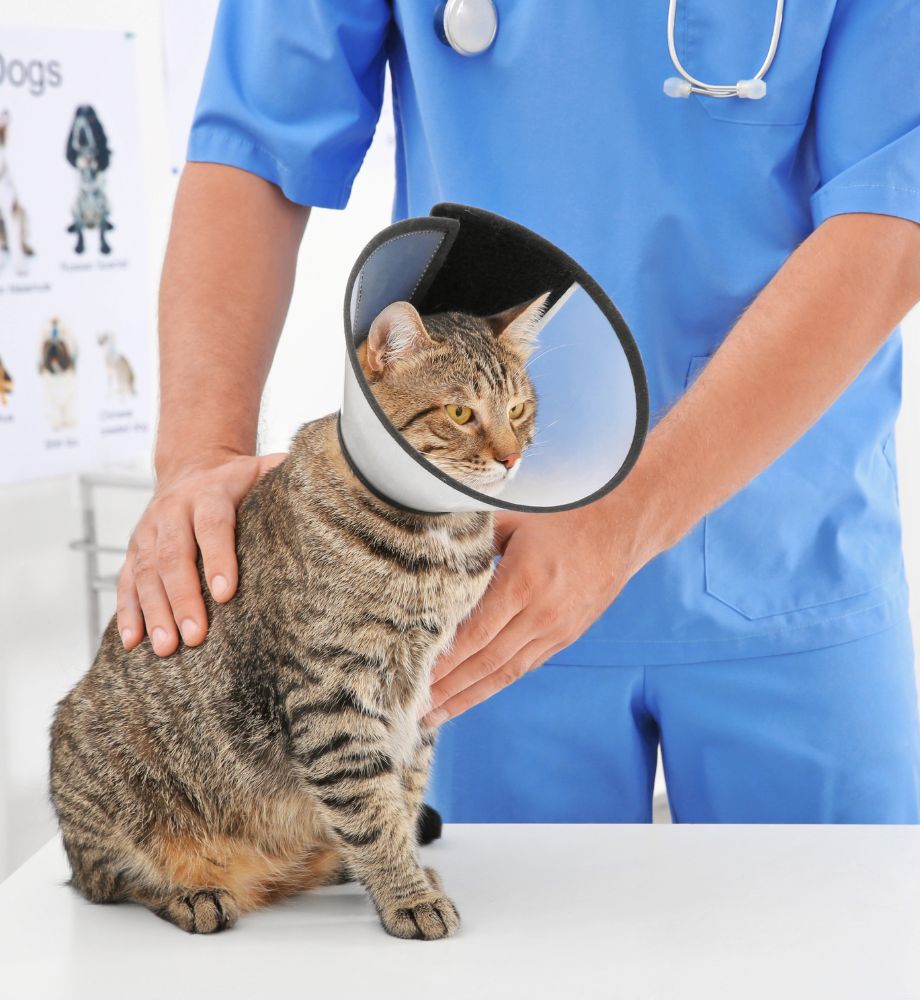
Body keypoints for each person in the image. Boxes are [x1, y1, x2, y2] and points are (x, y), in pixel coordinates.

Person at [117, 0, 920, 823]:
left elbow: (895, 206)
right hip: (463, 586)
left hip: (790, 554)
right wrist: (199, 455)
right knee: (467, 937)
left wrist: (625, 517)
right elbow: (254, 144)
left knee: (829, 937)